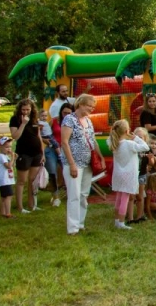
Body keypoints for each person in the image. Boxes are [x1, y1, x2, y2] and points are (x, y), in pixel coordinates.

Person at [61, 94, 102, 235]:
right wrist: (72, 164)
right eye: (89, 106)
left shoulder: (89, 121)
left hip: (87, 163)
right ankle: (72, 228)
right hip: (74, 163)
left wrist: (101, 157)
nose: (91, 109)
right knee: (74, 195)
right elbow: (64, 142)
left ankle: (80, 223)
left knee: (84, 194)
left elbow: (93, 141)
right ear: (81, 104)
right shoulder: (69, 119)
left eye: (93, 107)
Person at [109, 119, 150, 230]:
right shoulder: (129, 144)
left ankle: (117, 220)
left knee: (119, 197)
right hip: (128, 175)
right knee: (125, 199)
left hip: (118, 175)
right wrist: (136, 138)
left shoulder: (114, 143)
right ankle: (121, 222)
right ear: (127, 131)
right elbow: (146, 147)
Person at [9, 99, 45, 214]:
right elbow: (15, 136)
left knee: (32, 180)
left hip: (36, 153)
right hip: (24, 153)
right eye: (23, 109)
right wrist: (23, 123)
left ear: (31, 109)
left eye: (28, 109)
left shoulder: (34, 119)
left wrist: (42, 153)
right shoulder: (15, 119)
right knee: (21, 181)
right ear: (19, 109)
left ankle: (32, 204)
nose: (25, 112)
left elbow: (38, 136)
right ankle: (20, 207)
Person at [0, 136, 15, 219]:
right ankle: (8, 213)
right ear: (0, 147)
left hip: (6, 180)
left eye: (10, 147)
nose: (9, 149)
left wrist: (13, 159)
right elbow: (8, 166)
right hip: (4, 180)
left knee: (4, 196)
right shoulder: (1, 156)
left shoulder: (5, 156)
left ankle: (3, 212)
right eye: (6, 147)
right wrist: (12, 157)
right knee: (9, 195)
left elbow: (12, 166)